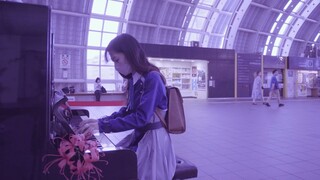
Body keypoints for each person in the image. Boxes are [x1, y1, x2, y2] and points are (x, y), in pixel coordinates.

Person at [78, 34, 176, 180]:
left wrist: (103, 126)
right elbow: (128, 110)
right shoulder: (134, 79)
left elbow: (141, 118)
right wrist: (99, 122)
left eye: (116, 60)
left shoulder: (152, 78)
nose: (116, 66)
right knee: (116, 162)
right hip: (141, 136)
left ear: (130, 54)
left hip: (154, 141)